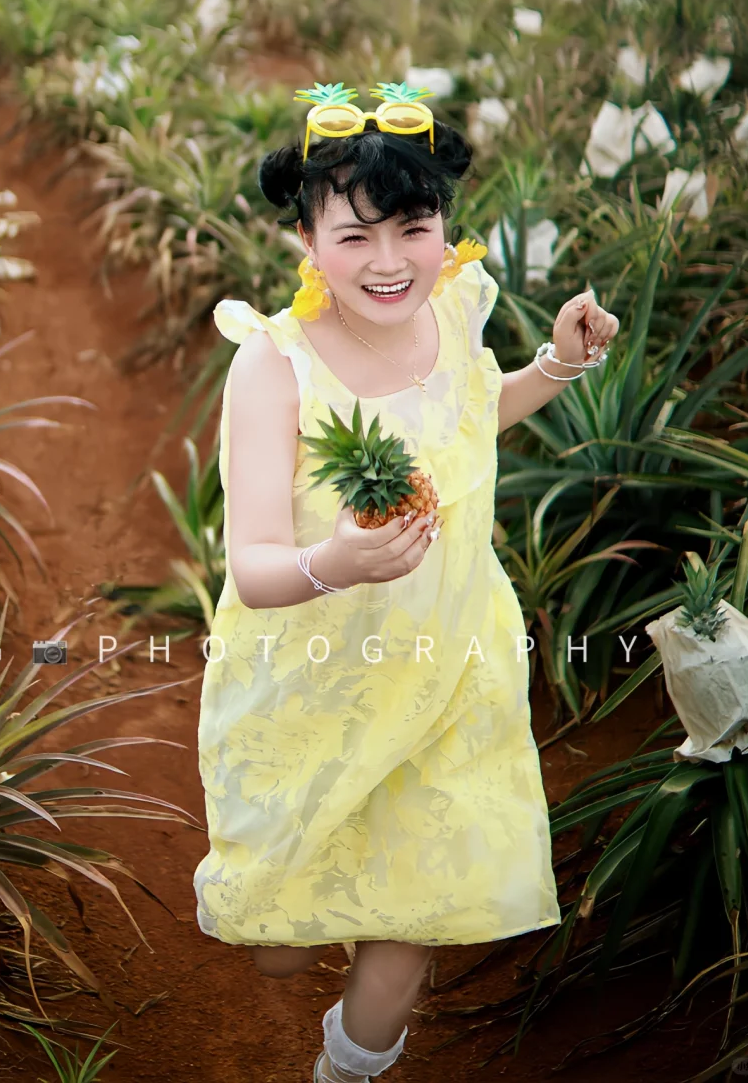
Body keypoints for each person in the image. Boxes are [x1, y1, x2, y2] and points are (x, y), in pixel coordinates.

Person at [192, 84, 620, 1083]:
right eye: (353, 237)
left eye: (413, 229)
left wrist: (555, 364)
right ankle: (307, 911)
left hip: (453, 668)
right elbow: (253, 568)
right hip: (315, 673)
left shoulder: (458, 304)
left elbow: (469, 417)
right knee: (282, 943)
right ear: (304, 239)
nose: (389, 263)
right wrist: (332, 562)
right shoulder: (273, 369)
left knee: (413, 916)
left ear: (444, 229)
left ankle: (345, 1072)